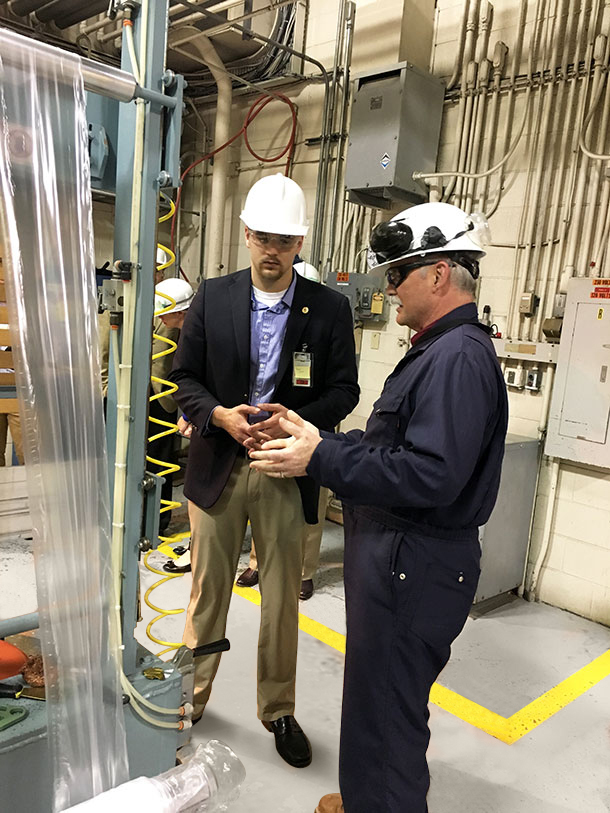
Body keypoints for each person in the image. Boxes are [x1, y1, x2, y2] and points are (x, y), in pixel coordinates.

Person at [249, 202, 509, 812]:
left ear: (438, 275)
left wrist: (320, 460)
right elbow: (391, 447)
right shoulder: (437, 350)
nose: (388, 289)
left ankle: (382, 799)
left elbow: (430, 475)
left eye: (398, 275)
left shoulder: (457, 358)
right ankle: (368, 797)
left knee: (388, 710)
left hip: (412, 562)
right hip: (398, 557)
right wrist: (317, 440)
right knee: (374, 698)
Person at [168, 173, 359, 768]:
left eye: (285, 240)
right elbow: (184, 379)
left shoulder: (328, 308)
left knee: (281, 599)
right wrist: (218, 416)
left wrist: (294, 422)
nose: (273, 250)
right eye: (263, 237)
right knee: (207, 593)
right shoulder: (214, 296)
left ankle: (278, 709)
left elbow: (344, 391)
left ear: (300, 243)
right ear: (246, 234)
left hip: (286, 469)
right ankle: (188, 700)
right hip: (219, 467)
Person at [236, 256, 326, 600]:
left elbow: (342, 388)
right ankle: (258, 562)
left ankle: (305, 571)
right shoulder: (267, 325)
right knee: (265, 504)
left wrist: (298, 421)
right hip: (264, 433)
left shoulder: (325, 320)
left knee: (309, 509)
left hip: (306, 432)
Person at [148, 277, 194, 535]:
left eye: (165, 314)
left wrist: (188, 413)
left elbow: (196, 376)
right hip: (178, 404)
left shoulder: (198, 333)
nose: (161, 320)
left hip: (190, 407)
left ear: (180, 310)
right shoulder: (186, 328)